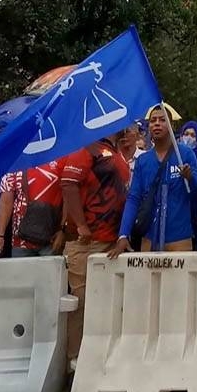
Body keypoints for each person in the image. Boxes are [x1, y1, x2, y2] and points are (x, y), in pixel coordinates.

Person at [60, 131, 131, 364]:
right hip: (86, 243)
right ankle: (75, 359)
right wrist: (80, 225)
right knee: (81, 303)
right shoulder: (88, 146)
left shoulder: (116, 151)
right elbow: (68, 184)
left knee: (104, 302)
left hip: (111, 241)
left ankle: (99, 356)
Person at [111, 106, 197, 256]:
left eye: (162, 120)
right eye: (153, 121)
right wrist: (123, 234)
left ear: (172, 126)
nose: (157, 123)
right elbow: (133, 198)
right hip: (149, 239)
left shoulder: (185, 154)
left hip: (179, 240)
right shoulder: (143, 161)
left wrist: (189, 178)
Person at [0, 160, 65, 257]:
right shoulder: (14, 164)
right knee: (20, 272)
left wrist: (63, 230)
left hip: (52, 239)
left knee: (51, 272)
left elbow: (67, 197)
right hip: (20, 241)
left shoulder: (60, 158)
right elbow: (5, 203)